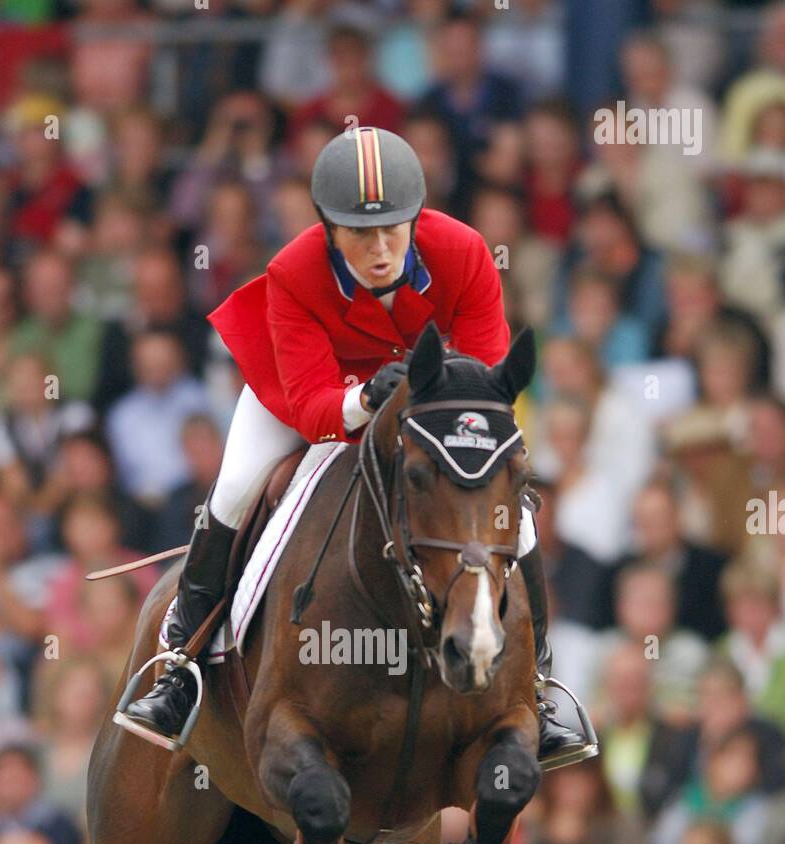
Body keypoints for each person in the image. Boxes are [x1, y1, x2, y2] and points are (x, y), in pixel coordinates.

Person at [124, 127, 593, 772]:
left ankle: (541, 686)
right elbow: (316, 409)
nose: (379, 251)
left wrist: (419, 406)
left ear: (415, 219)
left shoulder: (465, 252)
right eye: (358, 234)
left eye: (393, 231)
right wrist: (367, 399)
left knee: (514, 509)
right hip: (306, 395)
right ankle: (179, 665)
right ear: (327, 229)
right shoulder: (294, 272)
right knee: (232, 490)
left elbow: (484, 384)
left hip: (427, 399)